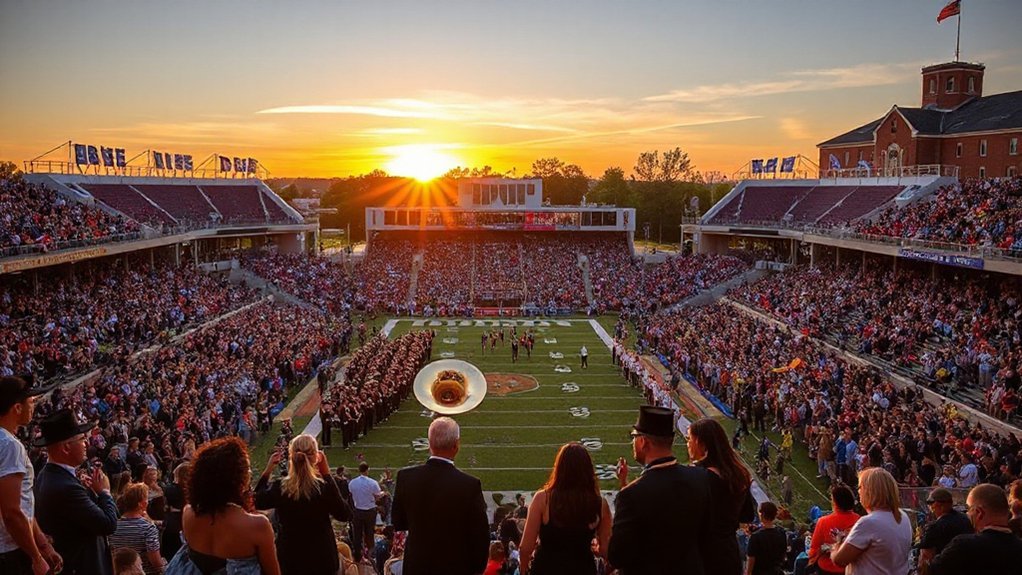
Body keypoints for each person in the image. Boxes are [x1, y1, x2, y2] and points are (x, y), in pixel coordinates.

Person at [608, 406, 712, 574]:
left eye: (634, 437)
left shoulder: (631, 495)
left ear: (643, 441)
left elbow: (617, 556)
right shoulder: (701, 478)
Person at [164, 437, 280, 575]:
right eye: (246, 470)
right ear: (236, 479)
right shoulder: (257, 525)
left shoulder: (188, 512)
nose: (249, 474)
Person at [392, 416, 489, 575]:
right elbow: (480, 537)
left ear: (429, 444)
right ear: (456, 445)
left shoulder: (406, 477)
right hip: (455, 568)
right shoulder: (469, 485)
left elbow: (398, 522)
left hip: (417, 566)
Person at [34, 408, 119, 575]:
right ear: (66, 447)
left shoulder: (49, 475)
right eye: (81, 439)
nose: (86, 444)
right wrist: (104, 492)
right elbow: (108, 523)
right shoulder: (66, 487)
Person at [254, 434, 352, 575]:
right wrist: (326, 473)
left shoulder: (280, 487)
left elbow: (257, 501)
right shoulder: (322, 488)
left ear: (291, 456)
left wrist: (267, 471)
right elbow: (345, 514)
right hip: (322, 559)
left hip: (290, 559)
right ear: (316, 457)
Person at [0, 375, 62, 575]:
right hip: (11, 551)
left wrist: (43, 545)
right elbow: (12, 512)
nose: (33, 406)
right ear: (17, 408)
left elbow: (24, 504)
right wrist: (36, 556)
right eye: (31, 402)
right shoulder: (10, 446)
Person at [519, 442, 612, 575]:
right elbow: (606, 549)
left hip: (546, 568)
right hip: (582, 568)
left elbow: (525, 547)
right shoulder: (599, 504)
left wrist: (523, 569)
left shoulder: (543, 499)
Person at [686, 417, 755, 575]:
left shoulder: (699, 475)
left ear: (701, 443)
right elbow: (747, 514)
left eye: (690, 439)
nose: (688, 443)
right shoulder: (738, 473)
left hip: (703, 553)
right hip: (729, 551)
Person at [830, 467, 912, 575]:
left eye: (860, 487)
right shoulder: (903, 516)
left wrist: (838, 543)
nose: (858, 492)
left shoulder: (868, 522)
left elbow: (839, 560)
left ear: (869, 491)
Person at [929, 483, 1022, 575]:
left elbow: (932, 569)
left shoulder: (962, 546)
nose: (967, 514)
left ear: (979, 512)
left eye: (969, 509)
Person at [109, 482, 165, 575]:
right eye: (146, 498)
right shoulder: (148, 528)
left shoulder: (113, 526)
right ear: (141, 504)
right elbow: (155, 561)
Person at [918, 487, 973, 575]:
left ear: (941, 505)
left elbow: (926, 556)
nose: (930, 507)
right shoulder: (965, 519)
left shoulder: (935, 527)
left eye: (931, 503)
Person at [807, 484, 859, 575]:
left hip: (826, 568)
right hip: (850, 568)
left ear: (835, 502)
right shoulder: (859, 520)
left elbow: (814, 548)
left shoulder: (823, 521)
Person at [348, 461, 383, 564]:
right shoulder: (372, 482)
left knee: (357, 534)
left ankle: (357, 556)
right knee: (369, 533)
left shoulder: (352, 483)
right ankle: (371, 555)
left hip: (358, 510)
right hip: (369, 511)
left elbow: (351, 493)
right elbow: (377, 495)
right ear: (367, 470)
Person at [745, 501, 787, 575]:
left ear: (762, 514)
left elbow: (751, 560)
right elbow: (783, 553)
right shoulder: (781, 533)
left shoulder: (755, 537)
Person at [161, 463, 188, 561]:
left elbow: (165, 506)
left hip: (172, 522)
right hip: (185, 522)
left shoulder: (169, 489)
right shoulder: (191, 490)